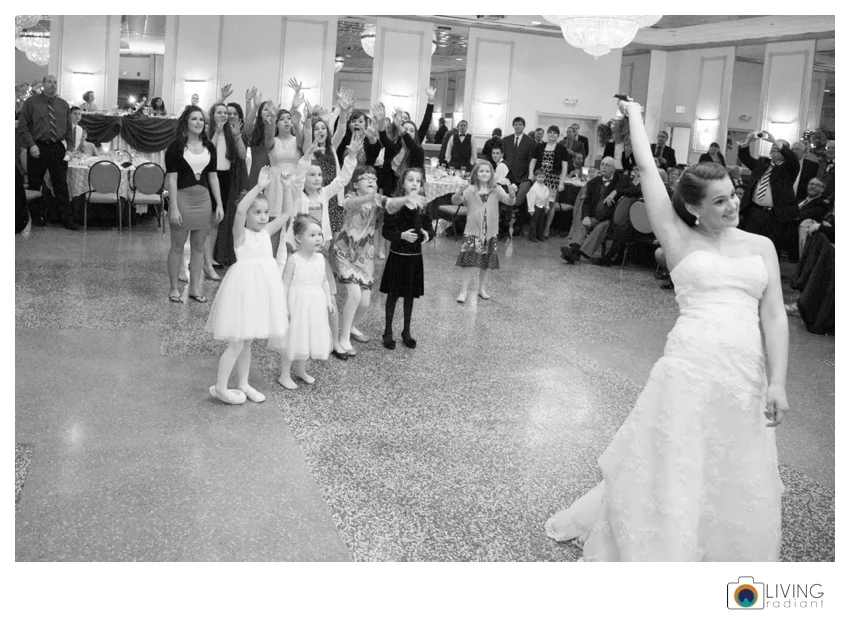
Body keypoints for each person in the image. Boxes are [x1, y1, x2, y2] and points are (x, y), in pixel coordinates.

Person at [546, 97, 788, 561]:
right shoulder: (678, 238)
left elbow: (774, 315)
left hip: (745, 373)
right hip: (689, 366)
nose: (732, 206)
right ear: (694, 208)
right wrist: (636, 117)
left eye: (733, 194)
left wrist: (777, 381)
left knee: (733, 462)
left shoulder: (761, 246)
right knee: (677, 459)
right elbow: (647, 169)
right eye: (720, 201)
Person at [205, 166, 292, 405]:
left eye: (265, 212)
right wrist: (259, 187)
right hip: (243, 293)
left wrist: (286, 188)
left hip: (260, 294)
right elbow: (241, 210)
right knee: (236, 344)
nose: (263, 217)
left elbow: (287, 213)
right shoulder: (241, 234)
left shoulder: (266, 233)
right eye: (258, 212)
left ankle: (243, 383)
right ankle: (221, 387)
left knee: (248, 342)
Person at [283, 136, 360, 360]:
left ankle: (335, 341)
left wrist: (351, 156)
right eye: (312, 175)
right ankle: (299, 342)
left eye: (319, 175)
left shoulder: (324, 194)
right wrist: (306, 158)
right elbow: (298, 178)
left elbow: (342, 179)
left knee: (331, 297)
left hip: (321, 254)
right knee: (301, 299)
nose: (317, 178)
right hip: (300, 254)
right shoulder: (298, 194)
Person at [165, 105, 224, 304]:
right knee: (177, 246)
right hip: (182, 200)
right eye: (194, 119)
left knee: (199, 247)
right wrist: (173, 207)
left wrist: (219, 204)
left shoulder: (210, 147)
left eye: (201, 120)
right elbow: (172, 179)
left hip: (203, 201)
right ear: (186, 122)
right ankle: (174, 287)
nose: (198, 123)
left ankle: (195, 288)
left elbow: (213, 177)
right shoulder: (175, 147)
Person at [279, 216, 336, 389]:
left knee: (307, 337)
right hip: (297, 304)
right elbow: (285, 284)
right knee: (293, 338)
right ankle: (284, 375)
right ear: (299, 238)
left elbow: (324, 281)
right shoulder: (294, 260)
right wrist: (284, 306)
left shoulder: (320, 259)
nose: (318, 238)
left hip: (315, 303)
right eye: (312, 235)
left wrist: (328, 300)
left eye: (319, 234)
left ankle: (301, 370)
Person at [335, 166, 387, 353]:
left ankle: (351, 326)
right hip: (345, 253)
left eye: (374, 178)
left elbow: (392, 206)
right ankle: (343, 337)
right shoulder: (350, 198)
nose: (372, 180)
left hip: (365, 257)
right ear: (356, 184)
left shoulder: (377, 201)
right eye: (366, 178)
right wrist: (370, 197)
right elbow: (350, 204)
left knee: (365, 302)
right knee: (355, 295)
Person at [380, 168, 433, 349]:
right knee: (393, 295)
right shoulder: (395, 205)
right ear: (403, 183)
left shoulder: (423, 206)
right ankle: (388, 331)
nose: (414, 183)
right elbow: (386, 231)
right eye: (410, 180)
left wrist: (427, 234)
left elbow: (429, 228)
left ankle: (406, 331)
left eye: (418, 181)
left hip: (414, 258)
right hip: (398, 256)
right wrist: (400, 236)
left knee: (410, 296)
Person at [17, 75, 77, 229]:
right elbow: (23, 126)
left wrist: (70, 149)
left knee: (61, 184)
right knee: (35, 184)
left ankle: (67, 220)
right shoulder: (31, 103)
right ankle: (35, 219)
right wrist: (31, 145)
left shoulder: (63, 105)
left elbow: (69, 131)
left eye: (55, 82)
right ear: (43, 84)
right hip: (37, 147)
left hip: (57, 148)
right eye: (49, 82)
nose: (52, 85)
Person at [452, 160, 517, 302]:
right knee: (468, 262)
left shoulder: (496, 189)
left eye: (487, 171)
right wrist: (459, 192)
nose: (484, 174)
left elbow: (509, 201)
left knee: (485, 262)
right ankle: (463, 291)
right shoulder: (470, 189)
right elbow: (456, 201)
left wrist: (512, 194)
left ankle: (481, 289)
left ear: (492, 174)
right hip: (473, 231)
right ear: (476, 173)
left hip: (490, 232)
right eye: (481, 171)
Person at [737, 131, 800, 262]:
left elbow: (793, 158)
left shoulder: (790, 168)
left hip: (774, 216)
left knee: (770, 249)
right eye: (773, 146)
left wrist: (775, 141)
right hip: (754, 212)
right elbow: (744, 157)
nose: (775, 148)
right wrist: (747, 142)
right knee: (749, 246)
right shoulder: (762, 163)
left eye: (779, 147)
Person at [560, 156, 625, 263]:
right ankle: (574, 250)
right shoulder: (594, 182)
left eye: (607, 165)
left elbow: (634, 190)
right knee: (584, 222)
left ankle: (577, 253)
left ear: (613, 169)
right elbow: (586, 201)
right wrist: (586, 216)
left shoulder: (620, 181)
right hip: (594, 215)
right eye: (602, 164)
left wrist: (616, 192)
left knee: (601, 227)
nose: (603, 167)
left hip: (609, 218)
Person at [528, 125, 569, 241]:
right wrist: (531, 174)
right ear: (547, 134)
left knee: (550, 205)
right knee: (537, 204)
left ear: (558, 135)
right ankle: (535, 230)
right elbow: (533, 161)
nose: (552, 134)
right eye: (550, 132)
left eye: (555, 133)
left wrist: (561, 182)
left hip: (553, 180)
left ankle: (546, 229)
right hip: (540, 178)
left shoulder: (562, 148)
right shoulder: (540, 146)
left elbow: (564, 167)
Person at [503, 116, 537, 235]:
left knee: (520, 203)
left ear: (524, 126)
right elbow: (504, 157)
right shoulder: (506, 140)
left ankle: (518, 226)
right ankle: (505, 225)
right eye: (516, 124)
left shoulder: (530, 141)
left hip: (522, 176)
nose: (518, 126)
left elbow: (531, 160)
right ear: (513, 126)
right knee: (506, 201)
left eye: (520, 124)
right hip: (508, 176)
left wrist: (529, 176)